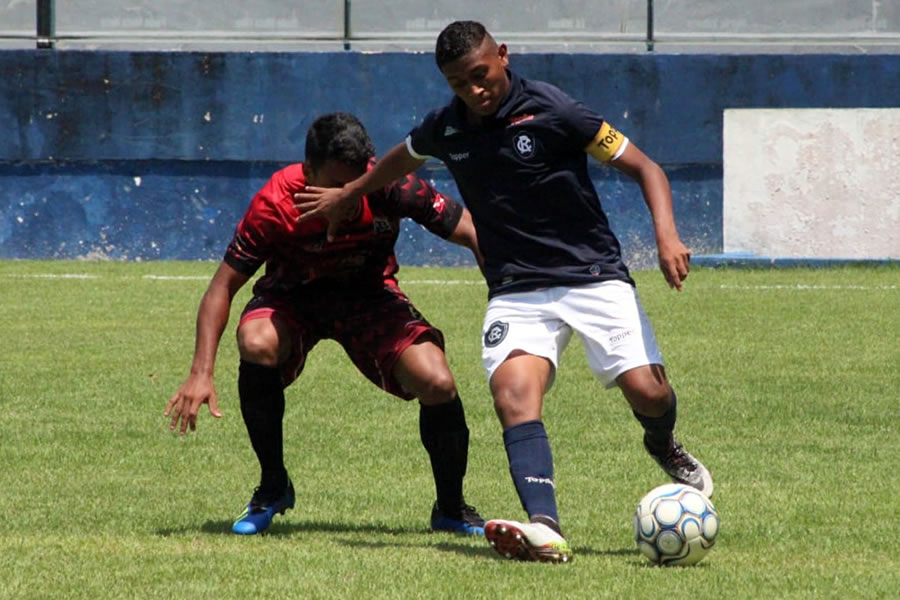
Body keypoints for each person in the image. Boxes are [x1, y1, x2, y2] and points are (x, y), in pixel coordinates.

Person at [294, 21, 713, 564]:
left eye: (480, 75)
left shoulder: (556, 110)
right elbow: (403, 156)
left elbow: (644, 167)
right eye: (458, 83)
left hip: (593, 274)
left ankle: (661, 442)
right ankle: (545, 528)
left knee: (649, 393)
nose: (474, 90)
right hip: (516, 288)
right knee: (513, 395)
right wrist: (350, 192)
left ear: (504, 57)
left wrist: (666, 235)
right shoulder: (447, 127)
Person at [165, 112, 486, 536]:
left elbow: (471, 231)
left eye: (355, 185)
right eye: (334, 186)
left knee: (438, 381)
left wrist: (508, 290)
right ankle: (272, 486)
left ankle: (450, 509)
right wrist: (200, 373)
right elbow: (221, 287)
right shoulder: (276, 202)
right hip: (294, 300)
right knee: (257, 340)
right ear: (308, 170)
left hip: (369, 297)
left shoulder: (390, 185)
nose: (347, 197)